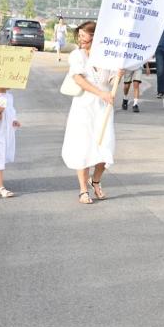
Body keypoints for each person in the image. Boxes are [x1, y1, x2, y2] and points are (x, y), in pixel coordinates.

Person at [61, 21, 122, 205]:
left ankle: (95, 180)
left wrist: (119, 74)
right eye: (79, 36)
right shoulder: (76, 55)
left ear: (95, 37)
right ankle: (83, 190)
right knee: (83, 147)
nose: (80, 40)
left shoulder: (108, 58)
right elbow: (78, 79)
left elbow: (111, 80)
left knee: (105, 148)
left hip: (104, 109)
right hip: (84, 107)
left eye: (84, 36)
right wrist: (100, 93)